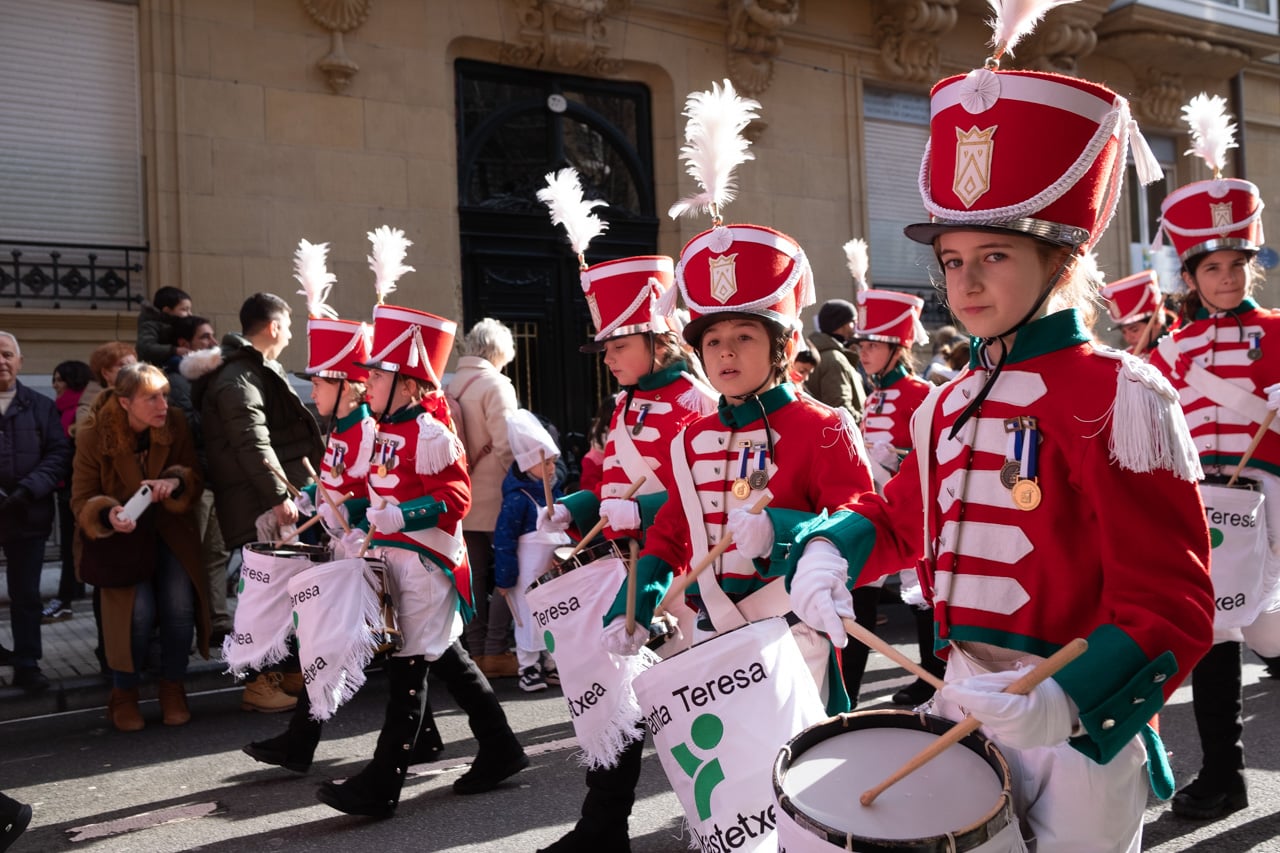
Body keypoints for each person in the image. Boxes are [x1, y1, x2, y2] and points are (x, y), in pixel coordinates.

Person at [788, 12, 1215, 850]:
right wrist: (832, 548)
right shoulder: (947, 401)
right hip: (961, 697)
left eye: (994, 257)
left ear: (1062, 261)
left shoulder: (1120, 395)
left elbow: (1174, 603)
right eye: (953, 260)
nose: (966, 284)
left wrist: (1065, 699)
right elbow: (902, 515)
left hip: (1074, 731)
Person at [534, 166, 717, 853]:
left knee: (688, 705)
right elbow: (612, 482)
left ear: (657, 339)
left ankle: (719, 821)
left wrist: (646, 512)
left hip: (679, 578)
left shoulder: (697, 402)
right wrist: (576, 509)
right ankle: (602, 827)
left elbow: (705, 492)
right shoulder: (624, 404)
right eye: (606, 347)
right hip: (621, 565)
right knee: (616, 700)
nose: (608, 357)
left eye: (618, 344)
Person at [316, 286, 527, 819]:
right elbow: (379, 492)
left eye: (379, 376)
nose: (368, 382)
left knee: (408, 671)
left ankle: (381, 785)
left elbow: (455, 498)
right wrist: (349, 512)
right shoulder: (385, 428)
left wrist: (402, 516)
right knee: (445, 658)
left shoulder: (431, 431)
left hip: (426, 563)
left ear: (408, 384)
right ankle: (500, 746)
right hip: (394, 559)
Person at [1148, 92, 1276, 822]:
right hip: (1206, 503)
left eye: (1237, 264)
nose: (1226, 277)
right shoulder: (1170, 349)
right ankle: (1225, 775)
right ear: (1191, 275)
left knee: (1275, 633)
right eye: (1212, 267)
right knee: (1216, 635)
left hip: (1274, 501)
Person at [190, 292, 324, 713]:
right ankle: (258, 681)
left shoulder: (247, 371)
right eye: (289, 326)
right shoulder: (239, 377)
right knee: (266, 596)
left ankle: (286, 671)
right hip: (259, 503)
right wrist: (280, 496)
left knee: (287, 590)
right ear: (274, 327)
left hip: (261, 498)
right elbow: (252, 440)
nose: (291, 335)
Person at [71, 362, 208, 731]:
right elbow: (81, 499)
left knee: (179, 608)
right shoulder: (94, 434)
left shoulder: (174, 422)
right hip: (121, 543)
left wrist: (174, 483)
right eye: (151, 398)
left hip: (170, 532)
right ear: (125, 402)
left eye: (165, 394)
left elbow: (193, 474)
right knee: (137, 614)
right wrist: (109, 513)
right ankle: (124, 693)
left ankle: (173, 687)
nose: (163, 404)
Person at [851, 284, 939, 707]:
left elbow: (936, 455)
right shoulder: (874, 396)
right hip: (877, 508)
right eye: (861, 345)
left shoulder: (921, 393)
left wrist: (899, 456)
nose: (863, 352)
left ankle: (932, 677)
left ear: (896, 347)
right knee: (860, 590)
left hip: (912, 511)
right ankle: (847, 691)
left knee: (920, 593)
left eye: (872, 345)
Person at [447, 318, 520, 678]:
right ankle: (496, 648)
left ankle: (476, 649)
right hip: (496, 495)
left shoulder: (452, 385)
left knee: (472, 574)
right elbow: (507, 443)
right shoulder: (496, 384)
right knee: (511, 569)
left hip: (463, 492)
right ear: (499, 351)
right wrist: (520, 483)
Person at [0, 331, 72, 692]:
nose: (1, 361)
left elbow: (59, 453)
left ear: (20, 361)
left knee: (26, 593)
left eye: (7, 354)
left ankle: (28, 663)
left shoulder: (41, 406)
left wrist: (29, 489)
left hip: (28, 513)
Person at [168, 315, 231, 641]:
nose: (212, 343)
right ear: (184, 345)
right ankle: (188, 628)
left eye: (213, 336)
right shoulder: (176, 383)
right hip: (195, 483)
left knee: (216, 555)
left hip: (216, 480)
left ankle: (218, 622)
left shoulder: (212, 379)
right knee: (191, 556)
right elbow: (194, 430)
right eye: (204, 337)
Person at [493, 409, 566, 692]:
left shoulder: (554, 493)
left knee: (553, 615)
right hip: (524, 574)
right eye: (545, 463)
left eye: (553, 462)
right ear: (527, 464)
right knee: (527, 618)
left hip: (551, 571)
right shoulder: (517, 500)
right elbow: (504, 541)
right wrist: (505, 578)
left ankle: (551, 662)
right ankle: (528, 666)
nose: (551, 469)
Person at [43, 359, 92, 624]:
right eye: (54, 379)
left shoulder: (79, 411)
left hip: (76, 488)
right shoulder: (58, 409)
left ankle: (65, 598)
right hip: (64, 487)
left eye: (60, 379)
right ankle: (72, 592)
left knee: (73, 546)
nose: (55, 385)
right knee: (70, 545)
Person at [805, 297, 866, 420]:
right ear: (841, 325)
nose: (856, 327)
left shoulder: (825, 354)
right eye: (853, 322)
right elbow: (841, 411)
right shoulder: (834, 359)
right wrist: (866, 422)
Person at [1101, 270, 1175, 359]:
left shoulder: (1178, 348)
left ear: (1156, 322)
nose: (1128, 338)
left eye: (1134, 330)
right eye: (1124, 332)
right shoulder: (1128, 357)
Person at [75, 342, 138, 435]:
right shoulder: (88, 407)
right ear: (105, 373)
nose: (134, 371)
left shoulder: (144, 398)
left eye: (135, 366)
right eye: (124, 366)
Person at [136, 285, 193, 367]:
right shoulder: (150, 325)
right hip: (155, 369)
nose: (190, 314)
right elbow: (145, 347)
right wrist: (174, 350)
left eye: (190, 309)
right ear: (167, 310)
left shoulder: (178, 324)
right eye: (184, 309)